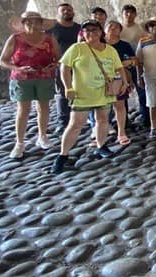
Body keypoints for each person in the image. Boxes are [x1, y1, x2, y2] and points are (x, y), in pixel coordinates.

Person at [53, 19, 128, 174]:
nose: (90, 34)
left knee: (103, 119)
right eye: (87, 31)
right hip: (83, 94)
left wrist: (124, 83)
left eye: (94, 30)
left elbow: (119, 68)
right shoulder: (77, 48)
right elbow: (64, 68)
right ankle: (63, 155)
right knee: (75, 124)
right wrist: (68, 87)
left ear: (100, 32)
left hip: (104, 92)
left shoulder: (109, 50)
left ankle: (101, 146)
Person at [0, 11, 60, 158]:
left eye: (36, 22)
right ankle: (19, 142)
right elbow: (3, 60)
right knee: (23, 109)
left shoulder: (49, 38)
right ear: (24, 23)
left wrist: (53, 66)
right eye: (29, 22)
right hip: (22, 78)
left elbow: (58, 58)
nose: (33, 25)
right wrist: (18, 68)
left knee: (43, 106)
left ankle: (42, 136)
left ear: (41, 23)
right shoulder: (15, 39)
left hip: (44, 76)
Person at [47, 3, 81, 133]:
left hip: (79, 65)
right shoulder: (52, 30)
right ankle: (63, 121)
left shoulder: (79, 28)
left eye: (69, 10)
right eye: (63, 10)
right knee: (62, 92)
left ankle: (79, 118)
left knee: (80, 91)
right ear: (58, 13)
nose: (67, 12)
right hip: (61, 65)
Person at [119, 4, 148, 131]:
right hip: (122, 65)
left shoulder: (140, 28)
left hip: (138, 63)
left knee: (142, 90)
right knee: (122, 92)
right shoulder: (118, 28)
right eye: (126, 13)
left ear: (135, 14)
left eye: (131, 13)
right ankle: (124, 121)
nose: (129, 15)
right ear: (122, 14)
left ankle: (146, 117)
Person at [105, 20, 134, 146]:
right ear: (104, 29)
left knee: (119, 105)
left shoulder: (124, 45)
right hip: (100, 79)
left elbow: (133, 60)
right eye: (110, 26)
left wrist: (127, 66)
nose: (113, 28)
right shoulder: (99, 44)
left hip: (118, 78)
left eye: (116, 27)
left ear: (120, 31)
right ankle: (102, 130)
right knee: (102, 107)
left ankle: (121, 132)